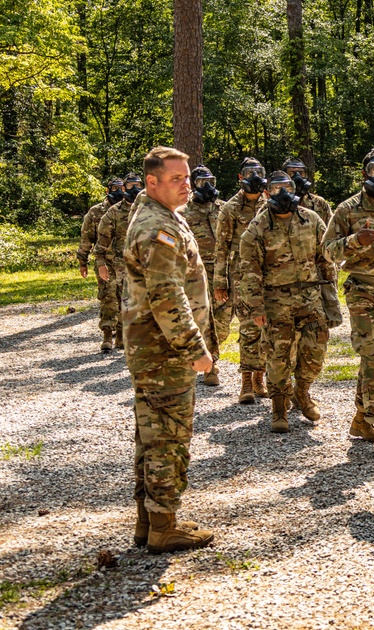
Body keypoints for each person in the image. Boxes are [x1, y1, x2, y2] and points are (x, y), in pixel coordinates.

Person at [122, 146, 215, 554]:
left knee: (151, 433)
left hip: (155, 349)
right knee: (168, 437)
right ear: (152, 183)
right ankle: (164, 525)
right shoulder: (156, 228)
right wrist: (194, 348)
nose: (186, 184)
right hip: (164, 351)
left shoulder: (163, 217)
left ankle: (150, 520)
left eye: (187, 177)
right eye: (176, 178)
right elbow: (166, 294)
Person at [240, 171, 334, 433]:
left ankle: (302, 393)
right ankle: (279, 407)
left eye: (287, 188)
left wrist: (331, 299)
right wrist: (256, 307)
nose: (283, 193)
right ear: (267, 192)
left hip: (310, 298)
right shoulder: (258, 227)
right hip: (275, 302)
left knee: (315, 352)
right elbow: (249, 270)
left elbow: (325, 260)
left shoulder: (311, 219)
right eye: (276, 188)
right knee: (278, 357)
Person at [324, 149, 374, 457]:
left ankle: (361, 417)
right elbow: (328, 251)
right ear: (364, 174)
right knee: (372, 354)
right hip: (361, 290)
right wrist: (355, 241)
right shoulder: (347, 209)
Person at [214, 158, 268, 404]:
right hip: (242, 276)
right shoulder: (230, 208)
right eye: (249, 173)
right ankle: (246, 381)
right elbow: (221, 248)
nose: (254, 176)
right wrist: (219, 282)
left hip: (270, 275)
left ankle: (260, 378)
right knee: (248, 327)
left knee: (267, 328)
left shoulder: (271, 203)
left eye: (258, 172)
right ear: (240, 177)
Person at [180, 165, 224, 386]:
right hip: (196, 272)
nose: (207, 187)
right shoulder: (182, 212)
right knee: (204, 319)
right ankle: (211, 366)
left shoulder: (223, 209)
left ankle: (206, 356)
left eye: (211, 182)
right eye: (201, 183)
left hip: (223, 269)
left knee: (223, 319)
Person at [95, 172, 144, 350]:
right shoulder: (113, 213)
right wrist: (100, 264)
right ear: (124, 188)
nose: (136, 189)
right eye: (131, 186)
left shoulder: (147, 210)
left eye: (138, 185)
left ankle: (125, 336)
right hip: (115, 265)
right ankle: (108, 335)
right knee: (110, 299)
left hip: (140, 266)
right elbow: (102, 241)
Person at [78, 176, 124, 353]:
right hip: (104, 262)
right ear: (107, 190)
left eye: (121, 188)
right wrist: (83, 261)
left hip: (126, 263)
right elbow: (86, 238)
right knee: (107, 297)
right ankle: (107, 334)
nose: (118, 192)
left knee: (125, 298)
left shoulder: (130, 210)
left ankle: (121, 335)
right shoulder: (96, 212)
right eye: (114, 188)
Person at [283, 157, 332, 225]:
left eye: (301, 173)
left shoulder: (319, 203)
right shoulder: (277, 205)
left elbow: (331, 230)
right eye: (292, 173)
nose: (298, 177)